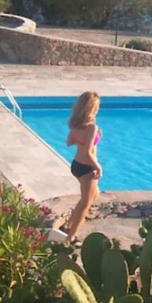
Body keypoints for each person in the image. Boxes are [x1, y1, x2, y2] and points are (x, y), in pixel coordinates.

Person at [61, 91, 103, 242]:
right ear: (92, 108)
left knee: (93, 194)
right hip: (87, 168)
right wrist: (98, 167)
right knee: (86, 203)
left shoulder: (75, 124)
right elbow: (88, 152)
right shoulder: (91, 127)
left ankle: (69, 223)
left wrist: (85, 139)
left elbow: (69, 142)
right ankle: (71, 237)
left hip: (77, 165)